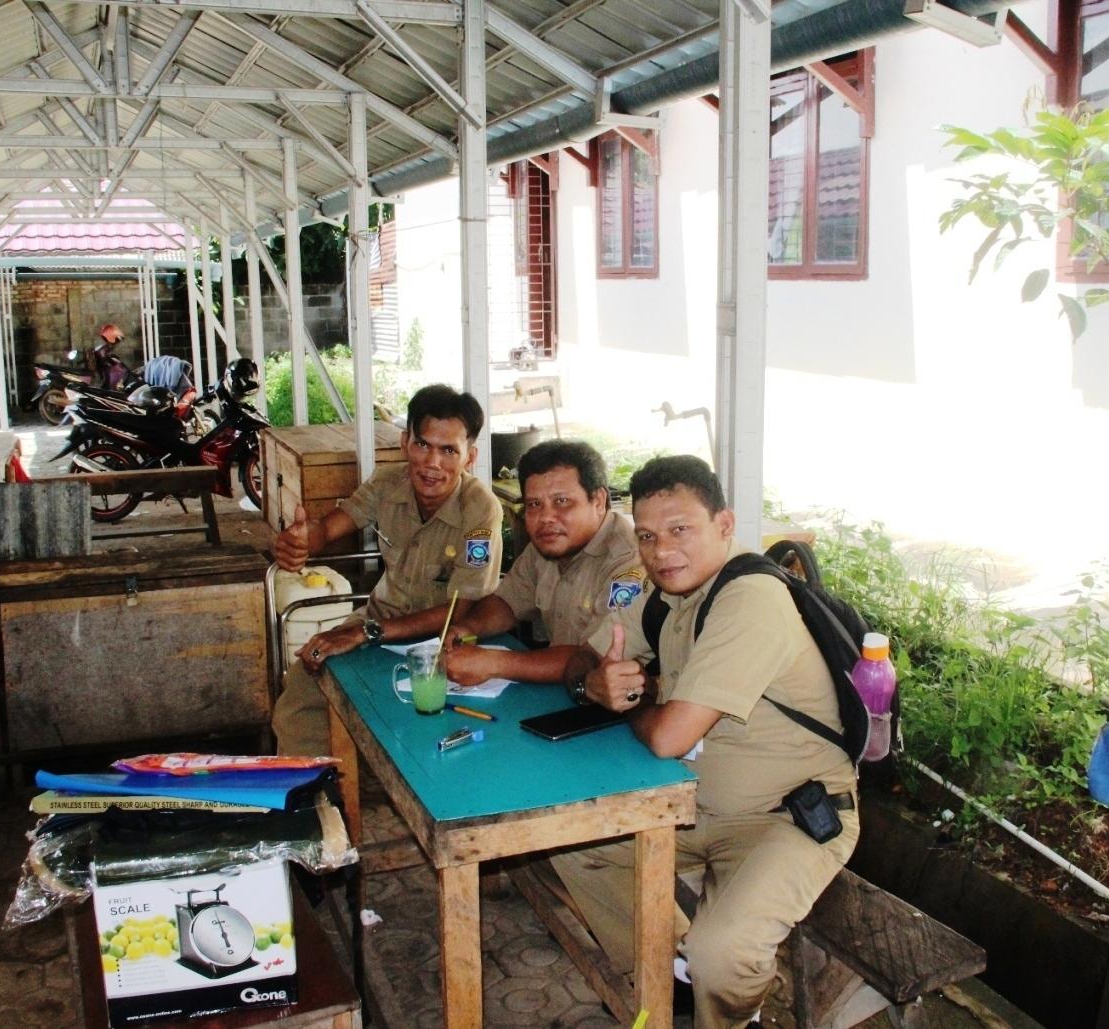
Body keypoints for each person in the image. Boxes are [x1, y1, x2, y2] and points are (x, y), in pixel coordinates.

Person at [553, 455, 859, 1029]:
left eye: (680, 530)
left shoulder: (750, 598)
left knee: (724, 956)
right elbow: (585, 654)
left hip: (788, 818)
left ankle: (730, 1009)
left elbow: (668, 737)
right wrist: (590, 679)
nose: (660, 550)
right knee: (572, 845)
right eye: (646, 536)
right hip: (697, 806)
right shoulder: (663, 596)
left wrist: (630, 696)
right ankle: (673, 969)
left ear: (725, 525)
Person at [270, 384, 503, 755]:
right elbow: (329, 528)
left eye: (448, 451)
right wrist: (302, 540)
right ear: (404, 442)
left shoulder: (480, 510)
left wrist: (367, 633)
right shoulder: (386, 483)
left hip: (441, 642)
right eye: (423, 444)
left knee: (427, 730)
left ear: (469, 457)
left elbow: (460, 611)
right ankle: (310, 798)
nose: (432, 463)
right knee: (302, 688)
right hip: (376, 623)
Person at [382, 439, 643, 686]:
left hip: (624, 709)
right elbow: (507, 602)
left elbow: (592, 657)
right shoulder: (550, 544)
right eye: (534, 504)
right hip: (562, 691)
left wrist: (494, 663)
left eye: (562, 502)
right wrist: (469, 627)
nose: (546, 518)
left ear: (598, 500)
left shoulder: (629, 563)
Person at [88, 323, 127, 389]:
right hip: (106, 379)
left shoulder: (105, 348)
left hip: (108, 377)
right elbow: (105, 362)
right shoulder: (102, 350)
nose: (117, 343)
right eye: (117, 340)